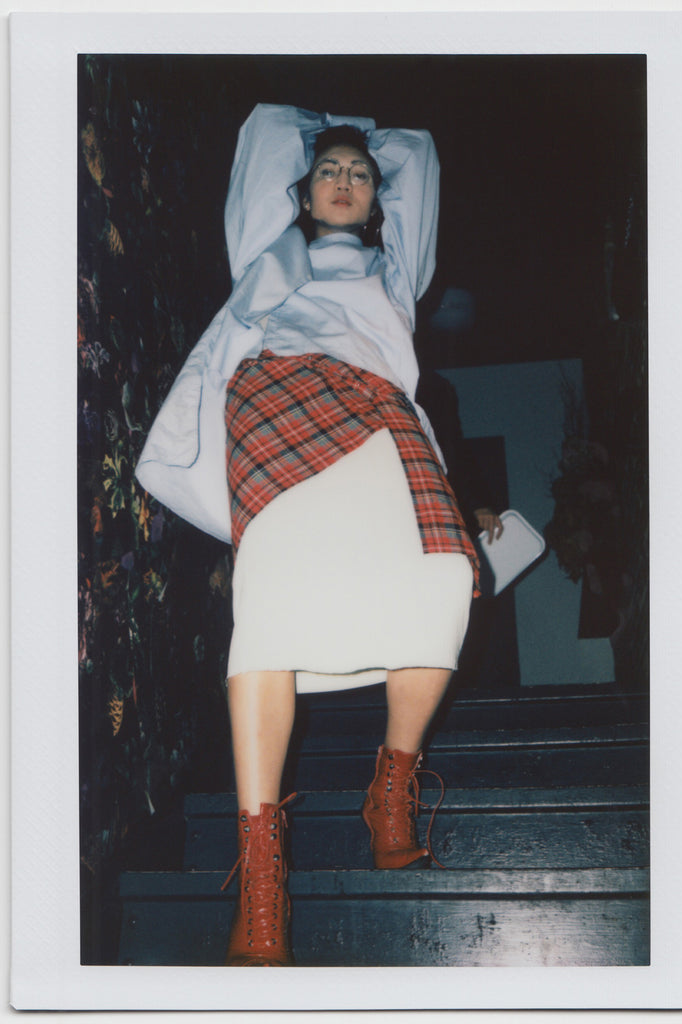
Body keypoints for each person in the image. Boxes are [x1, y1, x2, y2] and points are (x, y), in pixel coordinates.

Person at [135, 105, 479, 967]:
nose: (345, 178)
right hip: (276, 401)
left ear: (377, 202)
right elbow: (258, 131)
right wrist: (326, 128)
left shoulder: (396, 272)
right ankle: (260, 888)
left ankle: (390, 788)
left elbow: (419, 152)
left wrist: (361, 134)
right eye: (327, 167)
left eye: (359, 174)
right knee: (273, 614)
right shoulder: (265, 255)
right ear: (300, 190)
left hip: (376, 415)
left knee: (442, 578)